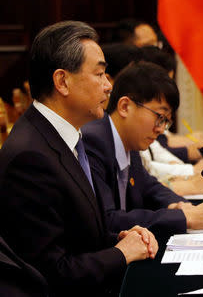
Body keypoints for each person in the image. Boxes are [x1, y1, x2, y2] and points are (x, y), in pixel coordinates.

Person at [0, 21, 158, 297]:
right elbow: (53, 271)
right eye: (99, 74)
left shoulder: (61, 135)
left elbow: (75, 236)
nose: (109, 85)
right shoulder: (30, 157)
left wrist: (118, 239)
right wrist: (120, 254)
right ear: (62, 81)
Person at [82, 61, 203, 239]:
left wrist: (179, 206)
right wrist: (184, 218)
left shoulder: (129, 141)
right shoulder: (94, 142)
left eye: (166, 121)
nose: (161, 129)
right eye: (159, 117)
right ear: (125, 107)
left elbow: (148, 186)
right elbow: (108, 221)